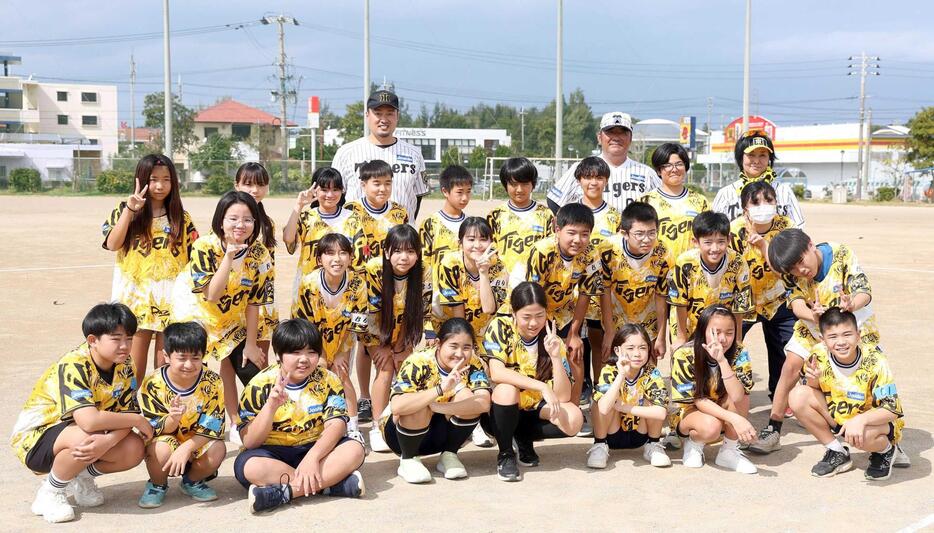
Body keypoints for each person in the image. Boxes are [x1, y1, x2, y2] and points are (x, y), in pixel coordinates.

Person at [11, 303, 149, 523]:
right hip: (37, 438)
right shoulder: (74, 364)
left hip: (89, 431)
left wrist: (109, 441)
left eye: (129, 338)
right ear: (92, 340)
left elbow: (125, 413)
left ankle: (80, 478)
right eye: (116, 339)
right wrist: (137, 420)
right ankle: (51, 492)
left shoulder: (125, 365)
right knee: (88, 435)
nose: (125, 346)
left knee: (134, 448)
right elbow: (89, 421)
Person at [756, 228, 880, 455]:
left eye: (801, 262)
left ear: (811, 245)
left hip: (851, 323)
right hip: (814, 323)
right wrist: (812, 316)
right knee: (790, 366)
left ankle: (884, 436)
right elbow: (796, 304)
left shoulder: (841, 254)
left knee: (865, 377)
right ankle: (774, 427)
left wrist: (851, 304)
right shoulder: (789, 271)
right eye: (793, 269)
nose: (801, 271)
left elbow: (864, 291)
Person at [234, 319, 366, 513]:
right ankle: (330, 485)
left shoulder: (328, 380)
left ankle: (284, 493)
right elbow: (250, 442)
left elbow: (337, 425)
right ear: (278, 355)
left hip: (317, 448)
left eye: (311, 352)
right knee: (250, 466)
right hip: (273, 452)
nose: (304, 359)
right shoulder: (258, 385)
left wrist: (312, 457)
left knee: (355, 449)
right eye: (295, 352)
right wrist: (270, 407)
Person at [170, 191, 273, 435]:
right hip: (195, 314)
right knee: (193, 370)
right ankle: (186, 428)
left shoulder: (260, 254)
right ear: (221, 221)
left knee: (251, 370)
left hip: (229, 317)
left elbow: (254, 302)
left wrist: (250, 344)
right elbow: (212, 295)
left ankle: (247, 425)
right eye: (233, 219)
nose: (240, 225)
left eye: (247, 219)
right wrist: (228, 258)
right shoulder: (205, 246)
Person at [102, 154, 198, 380]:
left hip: (171, 299)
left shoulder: (181, 218)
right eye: (153, 179)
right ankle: (132, 401)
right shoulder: (123, 210)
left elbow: (196, 257)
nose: (160, 186)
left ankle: (161, 401)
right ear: (142, 179)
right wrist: (130, 210)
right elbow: (112, 244)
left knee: (166, 366)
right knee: (133, 367)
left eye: (166, 180)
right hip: (136, 298)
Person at [788, 308, 909, 480]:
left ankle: (885, 450)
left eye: (847, 334)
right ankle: (836, 451)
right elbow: (812, 391)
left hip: (874, 421)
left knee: (864, 437)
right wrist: (813, 379)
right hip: (840, 416)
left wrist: (860, 420)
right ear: (823, 339)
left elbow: (892, 409)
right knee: (797, 395)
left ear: (858, 335)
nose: (841, 342)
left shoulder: (875, 360)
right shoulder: (818, 354)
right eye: (833, 337)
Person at [481, 282, 584, 482]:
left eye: (539, 315)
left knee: (574, 419)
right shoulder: (500, 327)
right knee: (506, 390)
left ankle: (523, 437)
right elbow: (496, 372)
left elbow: (563, 396)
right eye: (526, 317)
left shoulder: (551, 336)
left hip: (533, 406)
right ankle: (505, 454)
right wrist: (541, 386)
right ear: (514, 313)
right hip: (501, 409)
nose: (533, 323)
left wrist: (555, 357)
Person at [728, 181, 796, 454]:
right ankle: (729, 398)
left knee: (785, 352)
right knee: (732, 349)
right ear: (745, 208)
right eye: (756, 202)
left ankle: (781, 399)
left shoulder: (785, 227)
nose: (763, 207)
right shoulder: (734, 230)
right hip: (742, 301)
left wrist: (765, 246)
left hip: (777, 299)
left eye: (769, 200)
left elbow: (786, 269)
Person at [381, 318, 492, 483]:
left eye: (466, 347)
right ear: (439, 344)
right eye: (453, 346)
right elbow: (397, 406)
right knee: (417, 403)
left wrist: (437, 407)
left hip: (439, 431)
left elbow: (483, 403)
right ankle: (408, 460)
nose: (460, 354)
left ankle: (449, 454)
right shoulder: (418, 361)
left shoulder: (472, 363)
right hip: (400, 435)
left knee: (468, 397)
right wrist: (440, 389)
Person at [516, 203, 602, 411]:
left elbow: (585, 295)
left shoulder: (591, 254)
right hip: (534, 309)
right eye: (571, 233)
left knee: (576, 353)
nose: (577, 240)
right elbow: (532, 294)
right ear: (557, 230)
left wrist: (574, 333)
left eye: (584, 234)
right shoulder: (543, 251)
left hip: (563, 311)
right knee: (537, 357)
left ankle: (574, 409)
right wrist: (542, 327)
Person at [137, 322, 226, 508]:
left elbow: (212, 427)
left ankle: (192, 481)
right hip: (165, 441)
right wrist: (172, 419)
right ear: (166, 356)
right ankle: (157, 484)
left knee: (217, 449)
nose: (189, 364)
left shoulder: (213, 382)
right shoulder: (153, 383)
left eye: (195, 357)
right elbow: (152, 429)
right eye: (182, 357)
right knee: (159, 449)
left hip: (196, 442)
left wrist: (185, 449)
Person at [291, 233, 368, 440]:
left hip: (343, 338)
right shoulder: (308, 284)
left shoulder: (358, 284)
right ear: (319, 259)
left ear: (351, 258)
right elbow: (305, 325)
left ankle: (353, 427)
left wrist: (341, 352)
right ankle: (309, 425)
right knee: (315, 374)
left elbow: (357, 325)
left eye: (343, 253)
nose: (337, 259)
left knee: (341, 375)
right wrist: (322, 354)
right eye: (330, 253)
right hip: (312, 341)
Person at [359, 224, 425, 452]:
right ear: (387, 252)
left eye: (410, 251)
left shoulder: (424, 272)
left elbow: (415, 311)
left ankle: (405, 421)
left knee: (407, 367)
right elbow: (370, 314)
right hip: (373, 330)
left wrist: (401, 346)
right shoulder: (373, 269)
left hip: (403, 330)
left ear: (418, 254)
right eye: (397, 251)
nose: (404, 257)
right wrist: (383, 346)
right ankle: (378, 427)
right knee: (385, 368)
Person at [669, 305, 758, 474]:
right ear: (703, 331)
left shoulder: (740, 351)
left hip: (722, 404)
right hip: (690, 412)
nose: (723, 339)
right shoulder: (684, 354)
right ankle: (694, 443)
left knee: (742, 396)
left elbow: (738, 396)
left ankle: (729, 451)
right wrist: (734, 418)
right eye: (716, 332)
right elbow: (697, 399)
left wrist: (722, 361)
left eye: (729, 333)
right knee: (711, 427)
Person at [332, 88, 428, 221]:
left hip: (400, 232)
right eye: (378, 113)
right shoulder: (346, 153)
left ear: (397, 116)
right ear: (367, 115)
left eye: (389, 113)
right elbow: (335, 196)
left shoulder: (414, 154)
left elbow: (417, 197)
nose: (384, 119)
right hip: (358, 231)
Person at [572, 156, 622, 399]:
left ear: (606, 181)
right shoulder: (569, 213)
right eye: (588, 177)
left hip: (603, 293)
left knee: (600, 342)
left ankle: (600, 391)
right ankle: (580, 387)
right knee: (575, 343)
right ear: (579, 180)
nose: (593, 182)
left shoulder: (615, 216)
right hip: (572, 292)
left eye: (599, 178)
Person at [587, 324, 670, 469]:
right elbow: (604, 408)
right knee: (599, 401)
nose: (637, 354)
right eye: (630, 348)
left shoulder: (652, 373)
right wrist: (621, 375)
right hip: (612, 432)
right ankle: (600, 445)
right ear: (617, 350)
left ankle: (653, 444)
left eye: (642, 348)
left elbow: (661, 413)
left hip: (640, 433)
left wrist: (624, 407)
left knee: (653, 402)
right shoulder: (609, 371)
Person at [598, 201, 670, 364]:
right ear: (624, 233)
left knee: (648, 369)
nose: (646, 239)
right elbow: (605, 291)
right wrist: (609, 331)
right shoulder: (607, 250)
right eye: (639, 234)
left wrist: (661, 337)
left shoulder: (663, 253)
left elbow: (661, 296)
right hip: (616, 320)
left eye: (652, 233)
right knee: (615, 369)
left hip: (648, 322)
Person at [667, 211, 753, 347]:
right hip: (688, 324)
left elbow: (739, 306)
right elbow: (680, 303)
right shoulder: (684, 263)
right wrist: (681, 338)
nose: (715, 248)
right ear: (695, 242)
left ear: (728, 239)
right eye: (708, 242)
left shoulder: (738, 263)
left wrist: (737, 340)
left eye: (721, 242)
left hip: (721, 328)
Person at [547, 111, 660, 214]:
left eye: (622, 132)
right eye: (610, 132)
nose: (616, 137)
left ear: (630, 138)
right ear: (599, 137)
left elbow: (664, 204)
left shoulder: (646, 173)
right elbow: (554, 201)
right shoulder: (581, 167)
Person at [282, 167, 354, 297]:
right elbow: (288, 238)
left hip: (345, 288)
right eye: (324, 190)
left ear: (342, 190)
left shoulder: (353, 218)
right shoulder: (306, 218)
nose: (330, 195)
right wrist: (299, 205)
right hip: (309, 289)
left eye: (335, 189)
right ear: (315, 191)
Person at [419, 165, 473, 340]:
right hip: (437, 303)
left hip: (465, 300)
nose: (465, 198)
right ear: (445, 191)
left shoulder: (471, 225)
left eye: (468, 192)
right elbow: (424, 266)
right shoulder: (430, 224)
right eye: (459, 192)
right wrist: (426, 312)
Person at [712, 131, 804, 227]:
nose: (756, 161)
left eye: (762, 155)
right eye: (751, 155)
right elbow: (712, 229)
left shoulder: (784, 191)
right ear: (740, 158)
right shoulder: (725, 194)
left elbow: (798, 226)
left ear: (769, 158)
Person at [235, 162, 278, 356]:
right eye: (248, 184)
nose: (255, 190)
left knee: (260, 356)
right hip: (236, 296)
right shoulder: (227, 221)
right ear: (237, 185)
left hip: (262, 298)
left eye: (260, 184)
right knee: (231, 359)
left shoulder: (268, 224)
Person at [640, 142, 708, 265]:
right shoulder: (645, 202)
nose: (674, 169)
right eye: (668, 165)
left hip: (691, 269)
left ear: (686, 167)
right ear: (659, 171)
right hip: (654, 270)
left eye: (679, 164)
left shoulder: (700, 202)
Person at [487, 157, 555, 279]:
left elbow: (551, 250)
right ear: (505, 185)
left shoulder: (546, 214)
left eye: (525, 184)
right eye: (513, 184)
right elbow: (489, 250)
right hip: (503, 283)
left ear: (533, 185)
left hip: (535, 283)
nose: (519, 189)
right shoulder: (495, 215)